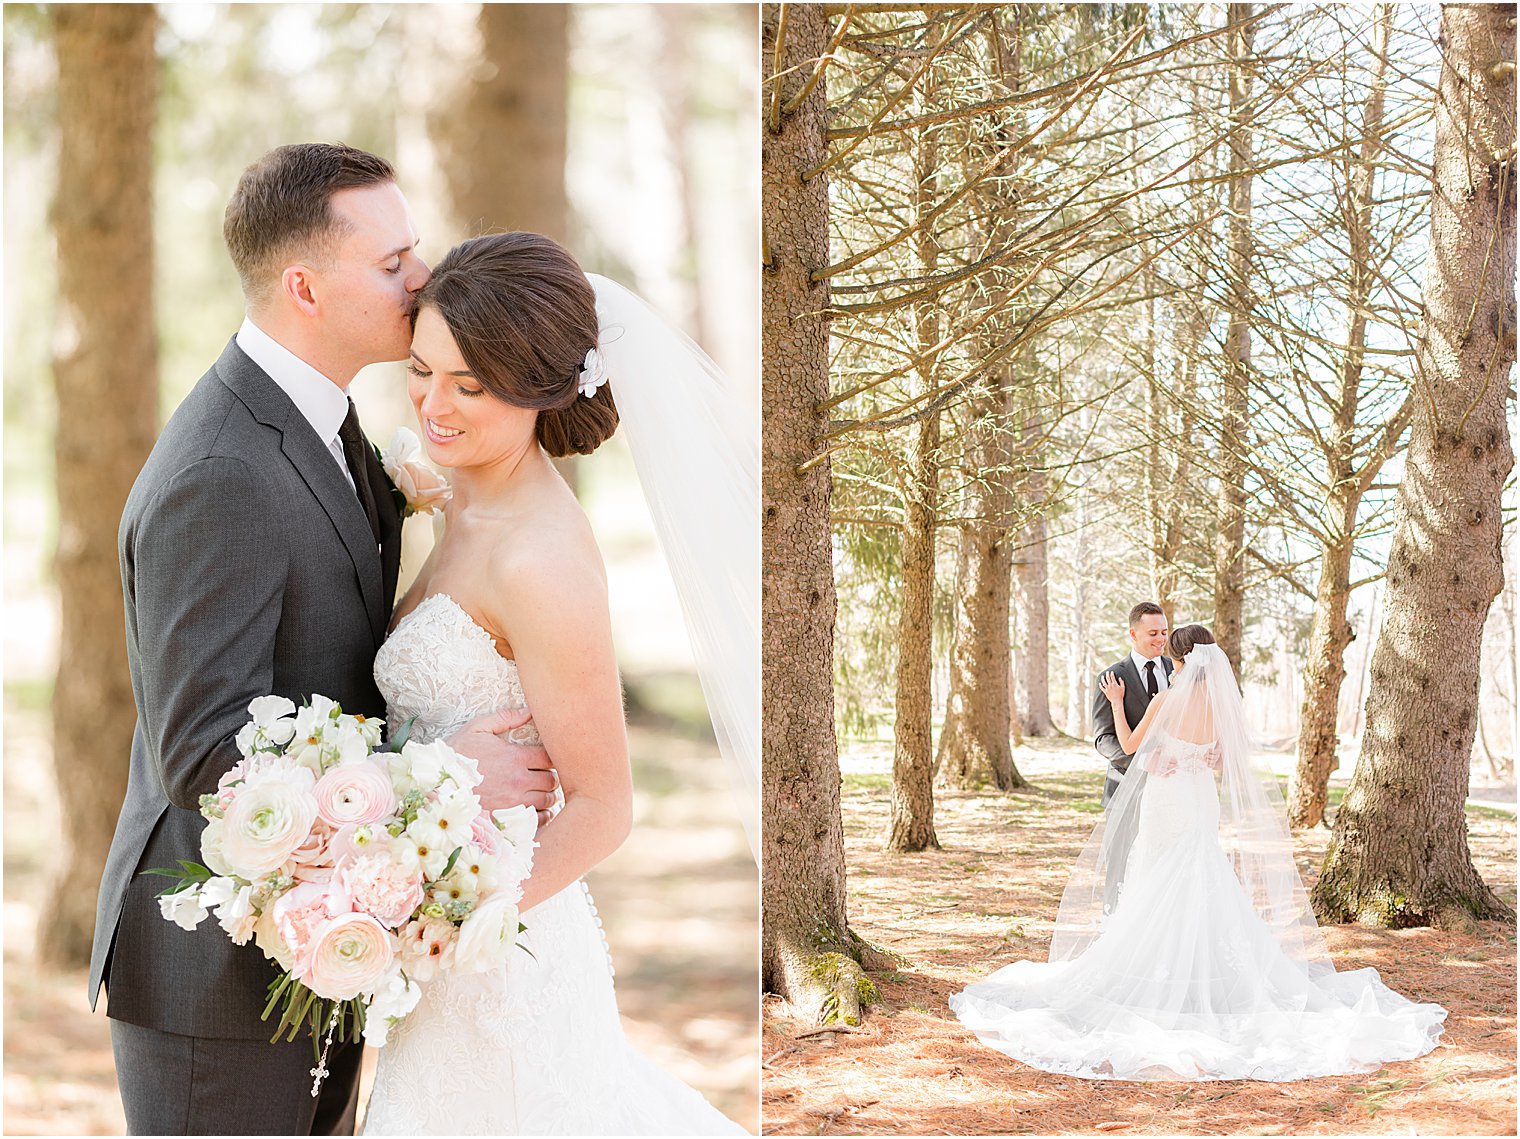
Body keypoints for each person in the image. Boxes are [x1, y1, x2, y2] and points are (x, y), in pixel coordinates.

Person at [90, 144, 557, 1135]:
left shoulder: (325, 422)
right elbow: (205, 753)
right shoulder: (219, 469)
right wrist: (436, 771)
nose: (421, 279)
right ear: (304, 285)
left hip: (319, 939)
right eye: (391, 263)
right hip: (214, 985)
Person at [359, 232, 752, 1134]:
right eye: (422, 371)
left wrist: (452, 919)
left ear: (540, 390)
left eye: (471, 386)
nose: (434, 406)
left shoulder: (541, 558)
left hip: (504, 967)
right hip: (439, 972)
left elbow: (603, 806)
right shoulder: (458, 495)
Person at [950, 624, 1447, 1082]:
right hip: (1199, 799)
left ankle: (1155, 973)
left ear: (1179, 658)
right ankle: (1206, 974)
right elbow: (1227, 759)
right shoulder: (1221, 705)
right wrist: (1204, 755)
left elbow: (1128, 745)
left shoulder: (1167, 698)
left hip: (1167, 800)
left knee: (1158, 876)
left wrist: (1119, 702)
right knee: (1202, 874)